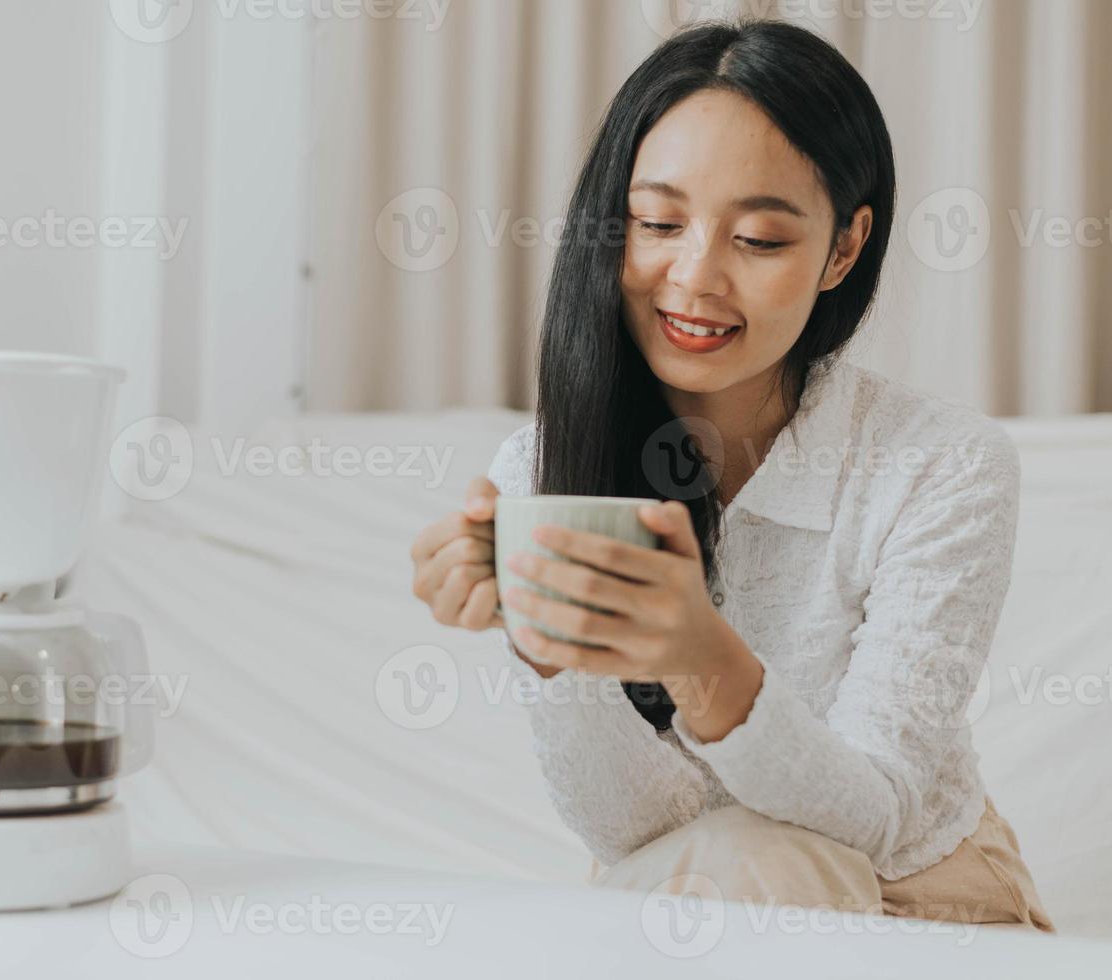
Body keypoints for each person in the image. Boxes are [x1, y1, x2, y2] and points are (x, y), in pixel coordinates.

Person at [408, 19, 1051, 932]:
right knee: (722, 865)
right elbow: (629, 829)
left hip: (920, 903)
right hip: (691, 894)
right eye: (658, 223)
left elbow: (876, 816)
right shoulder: (540, 471)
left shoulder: (940, 465)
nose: (694, 276)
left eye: (756, 240)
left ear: (842, 248)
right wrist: (550, 654)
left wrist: (699, 658)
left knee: (755, 858)